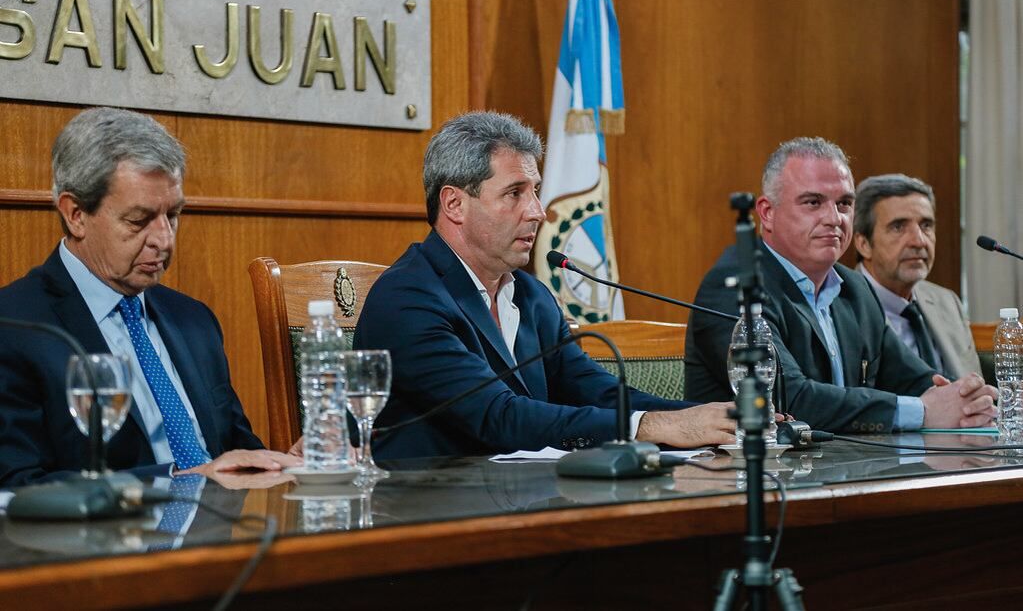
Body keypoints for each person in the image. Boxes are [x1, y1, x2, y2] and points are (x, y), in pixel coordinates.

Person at [354, 111, 734, 459]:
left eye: (534, 190)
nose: (537, 211)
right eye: (514, 193)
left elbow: (597, 393)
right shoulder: (407, 298)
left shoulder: (531, 295)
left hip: (523, 504)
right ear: (454, 204)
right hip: (429, 515)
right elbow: (496, 415)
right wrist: (653, 427)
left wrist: (718, 420)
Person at [0, 107, 299, 487]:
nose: (164, 239)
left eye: (172, 215)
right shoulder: (13, 326)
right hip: (102, 543)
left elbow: (236, 454)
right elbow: (15, 487)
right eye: (139, 220)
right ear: (75, 214)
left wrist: (284, 464)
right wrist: (178, 478)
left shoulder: (193, 320)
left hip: (219, 539)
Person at [683, 137, 996, 433]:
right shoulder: (735, 285)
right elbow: (788, 398)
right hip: (746, 476)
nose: (834, 218)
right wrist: (924, 411)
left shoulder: (855, 288)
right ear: (767, 213)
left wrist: (963, 399)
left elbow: (912, 379)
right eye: (813, 202)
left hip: (849, 470)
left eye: (844, 203)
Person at [853, 174, 982, 380]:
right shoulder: (840, 306)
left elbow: (976, 388)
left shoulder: (947, 302)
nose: (918, 241)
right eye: (898, 227)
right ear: (864, 244)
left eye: (926, 225)